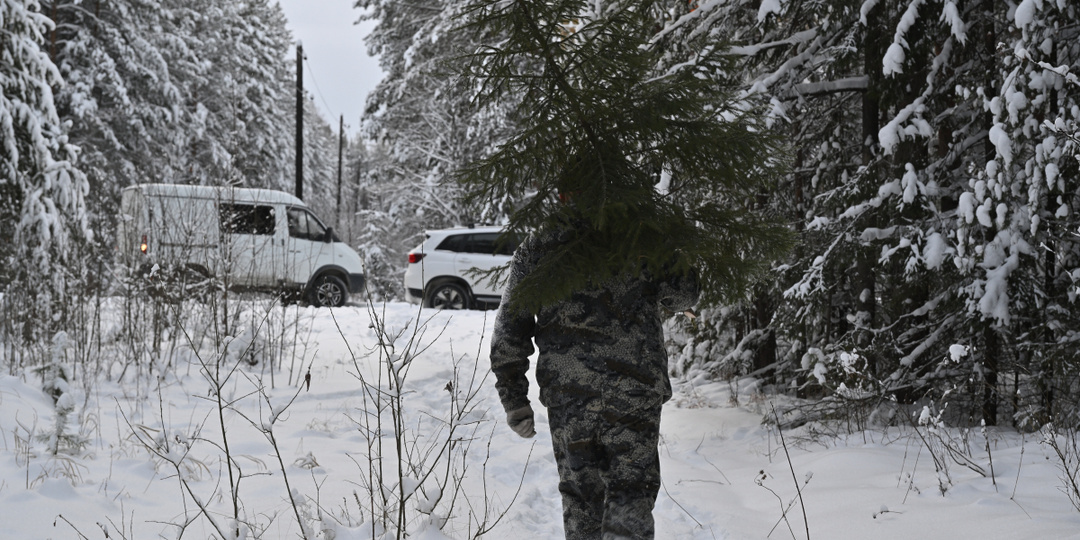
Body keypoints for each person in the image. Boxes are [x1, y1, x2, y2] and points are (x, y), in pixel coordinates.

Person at [489, 221, 700, 540]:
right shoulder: (641, 235)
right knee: (631, 497)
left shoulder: (539, 246)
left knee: (582, 500)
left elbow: (509, 328)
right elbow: (685, 294)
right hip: (634, 394)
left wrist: (515, 399)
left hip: (571, 396)